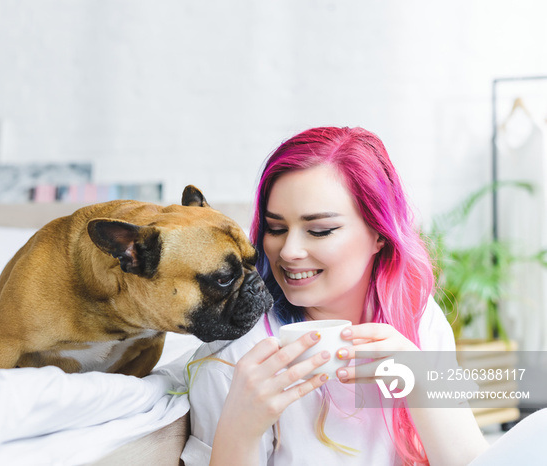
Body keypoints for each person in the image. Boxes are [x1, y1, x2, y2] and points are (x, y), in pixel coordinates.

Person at [181, 127, 489, 465]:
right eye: (276, 229)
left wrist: (421, 382)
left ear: (379, 234)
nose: (289, 251)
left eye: (320, 231)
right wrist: (238, 430)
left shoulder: (418, 320)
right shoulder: (232, 363)